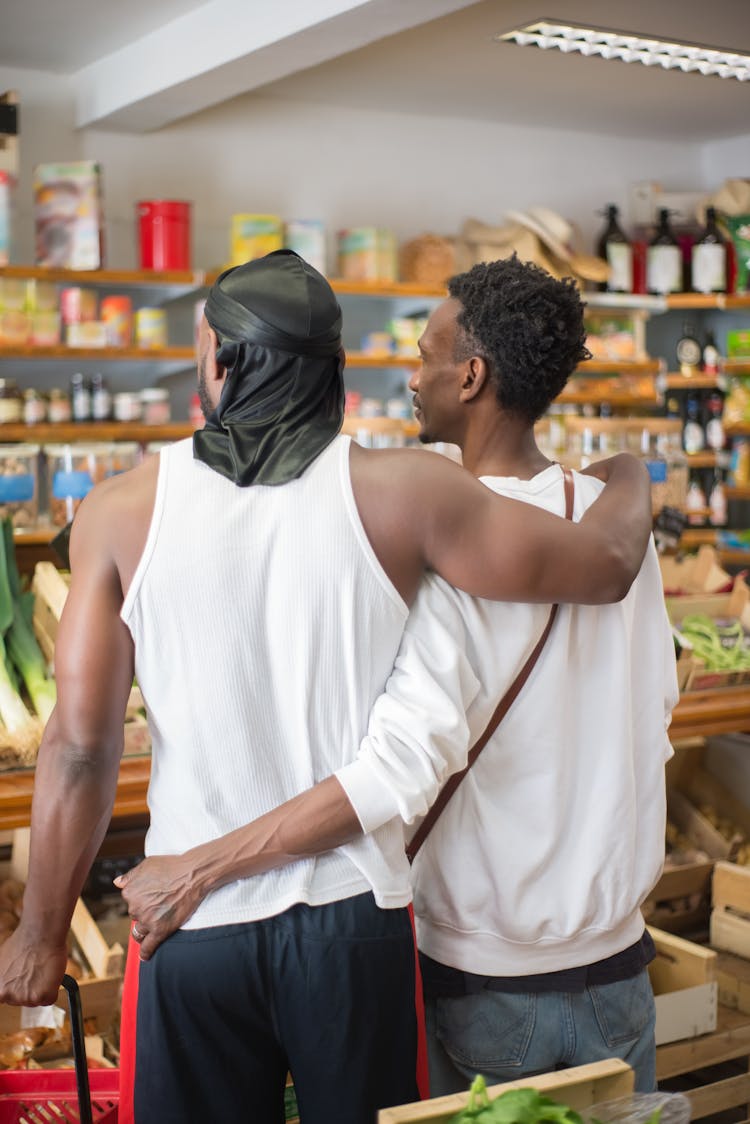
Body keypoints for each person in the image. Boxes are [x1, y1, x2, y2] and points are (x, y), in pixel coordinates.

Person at [0, 250, 652, 1124]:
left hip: (191, 928)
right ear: (337, 372)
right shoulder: (406, 491)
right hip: (353, 923)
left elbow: (80, 748)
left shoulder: (118, 512)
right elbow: (606, 563)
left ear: (220, 364)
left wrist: (41, 934)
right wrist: (631, 470)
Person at [394, 255, 677, 1094]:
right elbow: (658, 699)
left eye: (425, 355)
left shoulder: (443, 546)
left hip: (484, 976)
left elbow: (416, 752)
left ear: (471, 375)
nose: (413, 377)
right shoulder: (615, 526)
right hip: (619, 965)